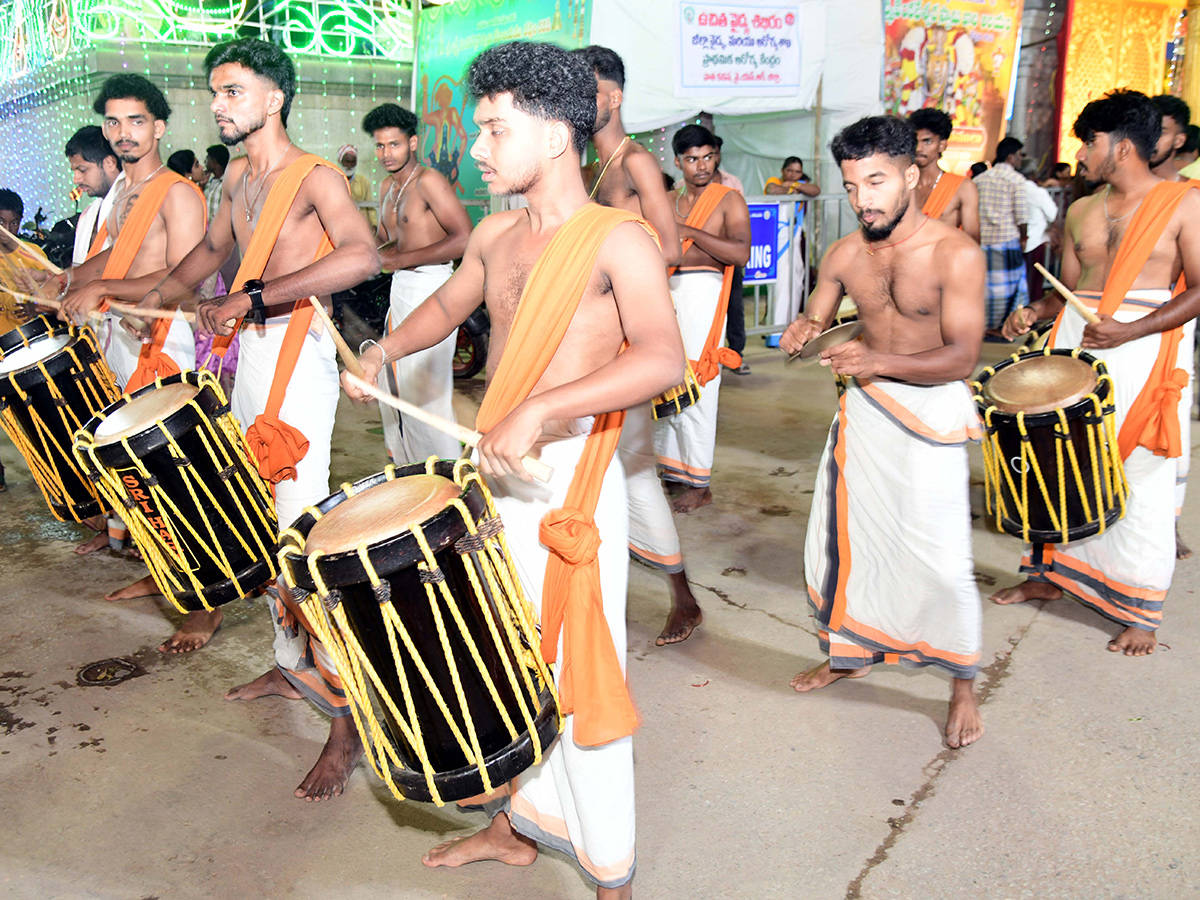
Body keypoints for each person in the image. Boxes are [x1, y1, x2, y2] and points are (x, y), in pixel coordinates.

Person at [342, 40, 682, 899]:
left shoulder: (620, 241)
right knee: (503, 655)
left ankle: (612, 874)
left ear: (557, 136)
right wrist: (381, 352)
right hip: (496, 470)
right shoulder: (494, 233)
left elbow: (664, 360)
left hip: (570, 482)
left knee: (578, 674)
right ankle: (520, 823)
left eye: (494, 130)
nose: (478, 149)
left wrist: (543, 407)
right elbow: (449, 310)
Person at [120, 38, 379, 795]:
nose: (218, 105)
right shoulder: (236, 174)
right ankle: (288, 664)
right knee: (258, 521)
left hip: (298, 359)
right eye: (215, 93)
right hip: (249, 357)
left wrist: (256, 296)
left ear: (274, 99)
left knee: (302, 536)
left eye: (232, 92)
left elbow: (362, 257)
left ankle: (346, 724)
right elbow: (209, 249)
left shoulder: (317, 177)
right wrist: (161, 295)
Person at [780, 114, 986, 749]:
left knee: (942, 562)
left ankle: (961, 685)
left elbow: (962, 357)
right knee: (847, 546)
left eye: (876, 181)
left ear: (913, 175)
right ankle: (849, 653)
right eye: (851, 185)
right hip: (865, 415)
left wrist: (878, 362)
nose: (863, 198)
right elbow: (819, 312)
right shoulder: (845, 253)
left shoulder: (956, 253)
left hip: (927, 417)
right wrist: (803, 329)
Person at [993, 89, 1200, 657]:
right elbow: (1067, 293)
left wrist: (1130, 330)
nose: (1082, 154)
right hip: (1075, 344)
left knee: (1138, 474)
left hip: (1145, 348)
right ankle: (1047, 575)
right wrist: (1034, 312)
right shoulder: (1082, 209)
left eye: (1091, 142)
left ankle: (1140, 609)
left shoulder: (1185, 204)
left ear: (1125, 145)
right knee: (1056, 460)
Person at [575, 43, 701, 645]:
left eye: (590, 91)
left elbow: (671, 251)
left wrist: (614, 267)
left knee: (630, 466)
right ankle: (607, 588)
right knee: (601, 465)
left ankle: (683, 596)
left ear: (615, 96)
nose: (579, 101)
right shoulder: (581, 167)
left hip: (633, 333)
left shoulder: (638, 164)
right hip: (591, 332)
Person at [59, 75, 204, 576]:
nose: (124, 132)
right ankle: (161, 571)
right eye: (114, 121)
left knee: (173, 468)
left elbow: (185, 275)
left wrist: (102, 290)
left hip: (161, 335)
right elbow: (114, 261)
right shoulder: (125, 193)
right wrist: (66, 278)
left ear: (159, 127)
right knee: (136, 468)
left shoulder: (178, 192)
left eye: (136, 121)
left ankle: (203, 602)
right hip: (122, 334)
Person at [362, 101, 472, 464]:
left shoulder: (429, 182)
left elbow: (463, 238)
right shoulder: (385, 188)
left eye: (393, 144)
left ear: (412, 143)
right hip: (401, 290)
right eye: (379, 145)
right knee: (394, 388)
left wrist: (398, 260)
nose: (385, 153)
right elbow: (386, 243)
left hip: (433, 288)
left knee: (427, 395)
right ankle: (411, 472)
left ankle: (446, 480)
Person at [656, 124, 750, 513]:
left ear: (717, 157)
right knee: (664, 381)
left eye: (708, 157)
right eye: (692, 158)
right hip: (664, 294)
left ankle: (700, 483)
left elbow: (740, 254)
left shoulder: (728, 200)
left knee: (699, 386)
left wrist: (690, 230)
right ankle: (671, 470)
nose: (701, 165)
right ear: (678, 162)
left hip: (705, 295)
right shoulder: (666, 198)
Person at [974, 136, 1028, 333]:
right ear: (1011, 157)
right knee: (1009, 289)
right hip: (1006, 241)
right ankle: (1004, 326)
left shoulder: (979, 179)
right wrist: (1024, 237)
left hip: (982, 242)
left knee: (985, 287)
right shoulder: (1016, 180)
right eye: (1020, 155)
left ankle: (985, 326)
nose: (1021, 160)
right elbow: (1021, 216)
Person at [908, 107, 981, 240]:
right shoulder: (903, 185)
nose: (918, 148)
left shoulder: (963, 187)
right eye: (915, 141)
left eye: (927, 141)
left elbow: (972, 240)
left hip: (944, 259)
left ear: (942, 145)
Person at [712, 136, 749, 374]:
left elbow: (739, 218)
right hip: (699, 257)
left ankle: (735, 355)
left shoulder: (732, 182)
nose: (707, 161)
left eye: (712, 154)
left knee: (735, 306)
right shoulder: (683, 187)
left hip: (729, 252)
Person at [65, 126, 120, 268]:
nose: (76, 179)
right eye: (74, 171)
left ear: (110, 163)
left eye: (82, 170)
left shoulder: (134, 205)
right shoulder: (88, 214)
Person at [1022, 167, 1059, 304]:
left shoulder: (1014, 189)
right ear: (1033, 174)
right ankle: (1031, 312)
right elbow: (1052, 214)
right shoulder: (1038, 192)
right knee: (1035, 283)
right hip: (1035, 241)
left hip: (1017, 240)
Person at [338, 143, 377, 229]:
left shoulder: (363, 182)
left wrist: (374, 225)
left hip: (362, 226)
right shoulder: (334, 181)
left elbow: (370, 206)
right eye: (347, 162)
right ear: (340, 161)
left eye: (352, 162)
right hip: (341, 227)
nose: (349, 165)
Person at [204, 144, 229, 222]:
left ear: (214, 163)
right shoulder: (209, 182)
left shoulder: (226, 183)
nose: (205, 162)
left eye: (207, 159)